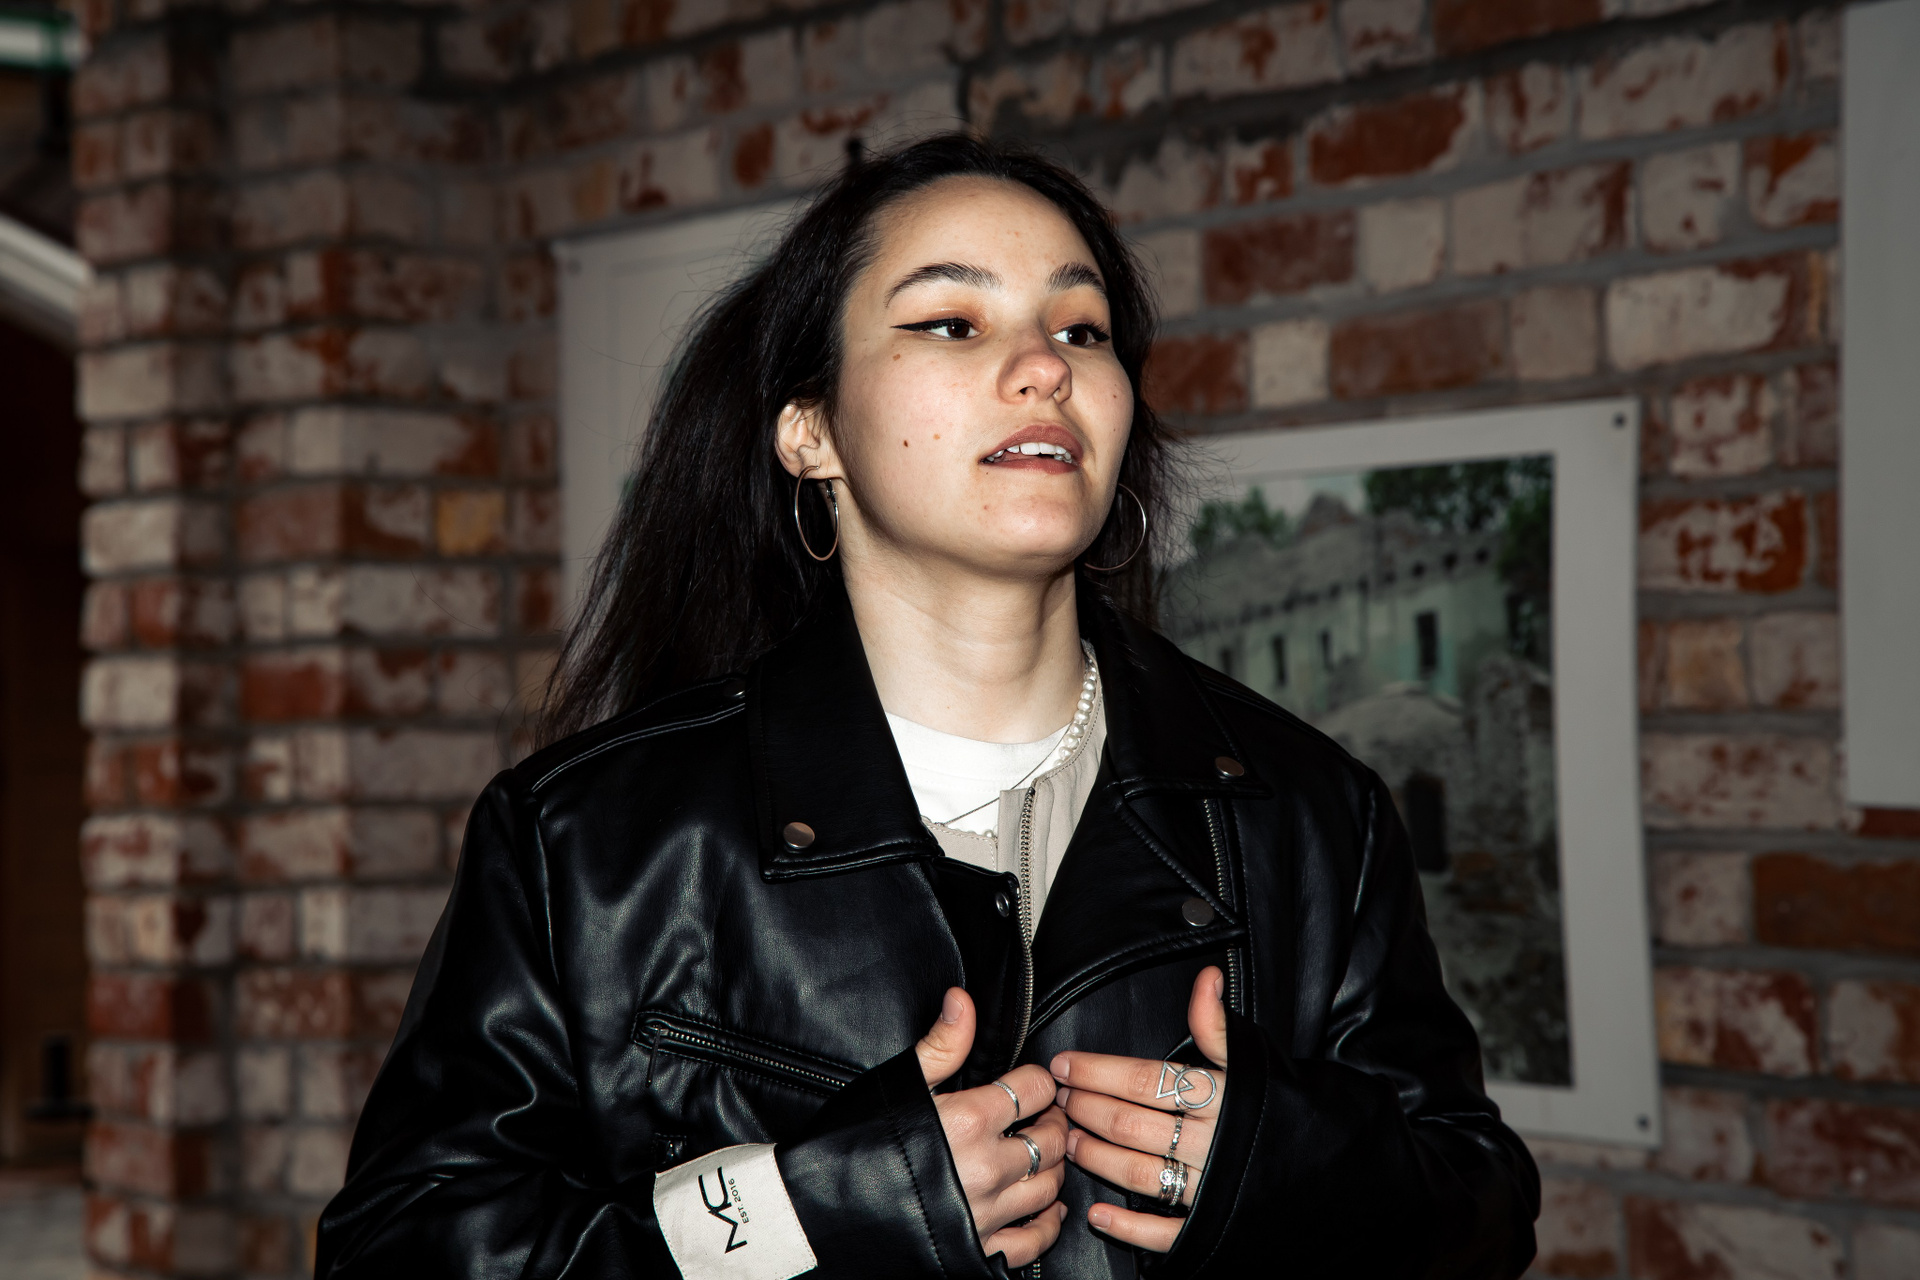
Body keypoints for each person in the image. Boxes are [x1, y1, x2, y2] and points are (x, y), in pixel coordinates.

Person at [315, 133, 1539, 1280]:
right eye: (952, 321)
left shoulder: (1311, 811)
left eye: (1083, 327)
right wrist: (801, 1215)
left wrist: (1300, 1172)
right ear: (810, 430)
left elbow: (1483, 1205)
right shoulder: (592, 841)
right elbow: (404, 1247)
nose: (1046, 365)